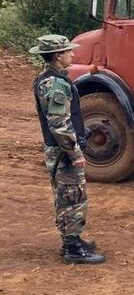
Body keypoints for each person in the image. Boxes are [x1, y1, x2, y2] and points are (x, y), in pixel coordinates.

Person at [30, 35, 105, 264]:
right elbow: (59, 124)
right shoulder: (55, 85)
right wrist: (74, 152)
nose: (72, 54)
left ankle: (73, 239)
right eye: (68, 52)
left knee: (70, 195)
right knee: (72, 197)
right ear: (57, 56)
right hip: (64, 152)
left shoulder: (51, 79)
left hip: (61, 151)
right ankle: (72, 248)